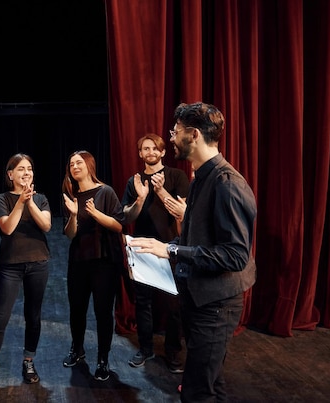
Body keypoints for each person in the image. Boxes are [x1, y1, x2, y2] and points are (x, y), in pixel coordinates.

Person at [128, 102, 257, 402]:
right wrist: (168, 248)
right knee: (210, 385)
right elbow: (199, 236)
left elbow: (235, 256)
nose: (171, 138)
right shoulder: (201, 177)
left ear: (194, 135)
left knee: (198, 392)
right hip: (201, 299)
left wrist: (172, 251)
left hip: (216, 305)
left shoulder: (226, 183)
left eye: (175, 132)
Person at [0, 153, 52, 395]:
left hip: (38, 263)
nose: (26, 172)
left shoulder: (41, 199)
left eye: (29, 169)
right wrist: (20, 202)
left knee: (33, 316)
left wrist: (30, 201)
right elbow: (7, 228)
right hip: (11, 267)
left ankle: (28, 361)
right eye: (21, 169)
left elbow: (46, 225)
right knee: (0, 318)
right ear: (10, 175)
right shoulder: (2, 200)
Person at [122, 133, 189, 373]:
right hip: (141, 247)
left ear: (162, 152)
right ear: (140, 154)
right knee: (143, 304)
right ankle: (146, 348)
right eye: (145, 149)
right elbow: (127, 217)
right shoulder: (135, 181)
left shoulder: (177, 176)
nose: (150, 152)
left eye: (154, 148)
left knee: (173, 305)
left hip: (170, 248)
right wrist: (140, 198)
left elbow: (185, 214)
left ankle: (172, 353)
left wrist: (161, 191)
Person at [61, 150, 125, 381]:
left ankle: (103, 359)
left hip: (104, 262)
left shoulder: (105, 191)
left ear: (90, 165)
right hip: (78, 260)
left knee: (102, 312)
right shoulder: (70, 194)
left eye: (79, 162)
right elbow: (70, 234)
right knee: (76, 309)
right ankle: (77, 350)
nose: (74, 166)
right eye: (71, 164)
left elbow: (118, 225)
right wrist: (73, 215)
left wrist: (95, 214)